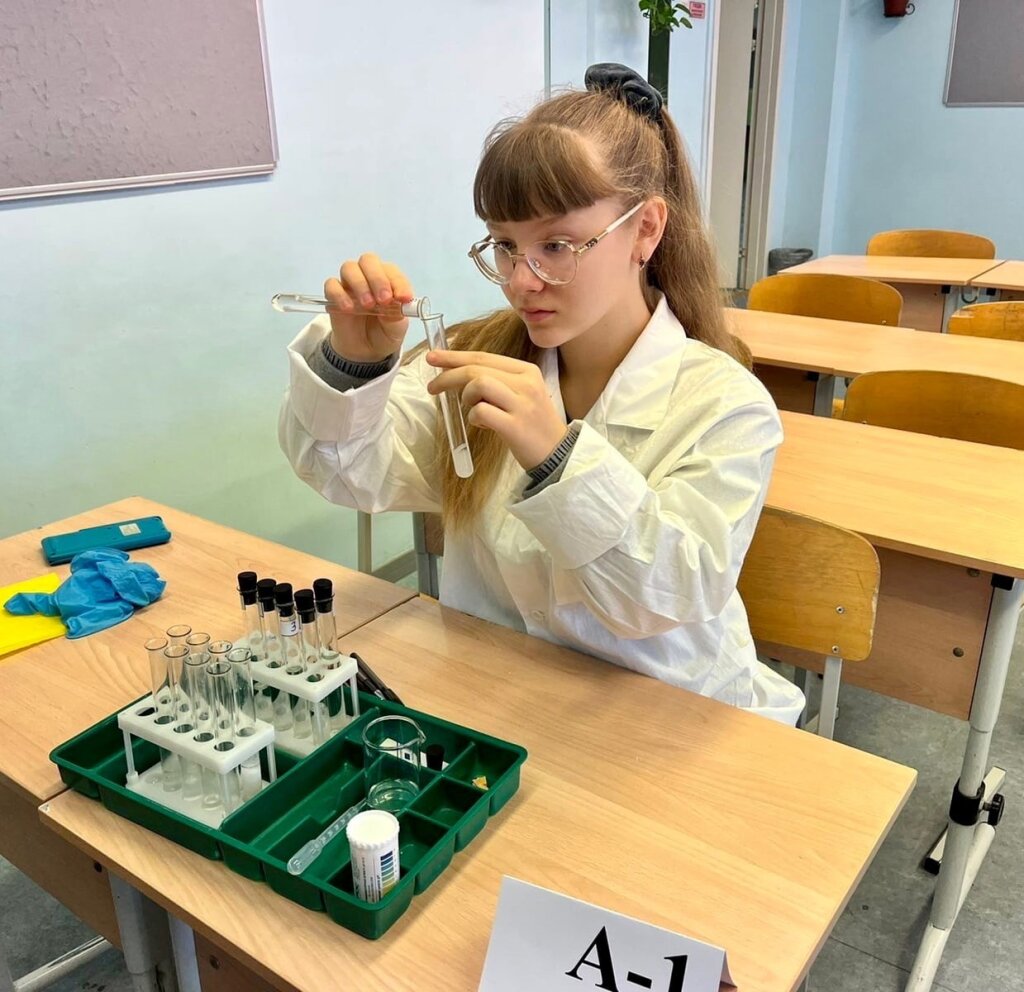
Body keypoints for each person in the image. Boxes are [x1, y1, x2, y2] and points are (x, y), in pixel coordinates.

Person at [279, 64, 804, 725]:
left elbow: (665, 597)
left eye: (556, 245)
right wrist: (354, 363)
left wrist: (556, 457)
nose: (521, 281)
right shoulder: (482, 357)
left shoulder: (725, 405)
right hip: (508, 701)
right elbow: (349, 471)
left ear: (646, 229)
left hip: (669, 718)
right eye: (505, 245)